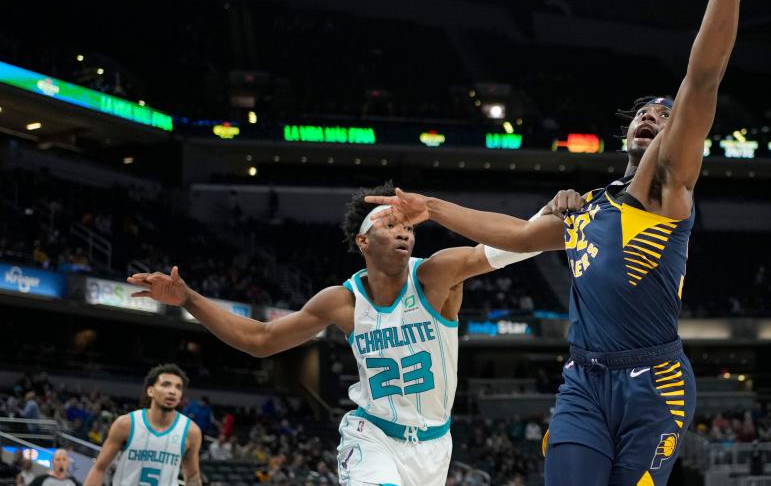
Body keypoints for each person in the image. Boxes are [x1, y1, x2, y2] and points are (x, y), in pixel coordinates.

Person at [364, 0, 746, 486]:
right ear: (626, 133)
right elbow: (515, 235)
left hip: (657, 386)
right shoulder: (588, 205)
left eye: (664, 114)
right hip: (584, 383)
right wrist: (432, 205)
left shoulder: (666, 185)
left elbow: (702, 77)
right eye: (644, 113)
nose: (653, 116)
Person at [126, 182, 542, 486]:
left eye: (408, 227)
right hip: (372, 434)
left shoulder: (438, 273)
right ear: (363, 240)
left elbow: (520, 241)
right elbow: (260, 340)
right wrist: (189, 299)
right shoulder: (341, 301)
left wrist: (557, 216)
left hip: (435, 446)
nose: (403, 232)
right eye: (390, 224)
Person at [83, 364, 202, 486]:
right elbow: (100, 467)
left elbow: (192, 478)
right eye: (166, 385)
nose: (172, 391)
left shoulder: (191, 431)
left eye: (178, 387)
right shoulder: (126, 424)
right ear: (150, 391)